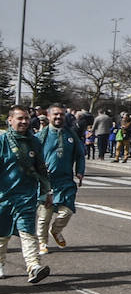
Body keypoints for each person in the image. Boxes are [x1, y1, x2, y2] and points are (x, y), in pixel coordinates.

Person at [0, 105, 54, 283]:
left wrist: (47, 191)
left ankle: (33, 267)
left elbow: (41, 169)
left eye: (26, 118)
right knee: (2, 235)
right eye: (19, 118)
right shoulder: (2, 141)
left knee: (27, 231)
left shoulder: (34, 142)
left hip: (26, 196)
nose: (24, 122)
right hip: (3, 196)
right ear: (10, 120)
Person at [35, 104, 85, 252]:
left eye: (61, 114)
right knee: (45, 216)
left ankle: (56, 230)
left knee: (67, 211)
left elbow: (80, 155)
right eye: (55, 114)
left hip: (66, 182)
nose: (58, 117)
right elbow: (30, 157)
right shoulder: (39, 137)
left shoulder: (71, 135)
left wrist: (80, 171)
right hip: (46, 182)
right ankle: (42, 242)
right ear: (49, 116)